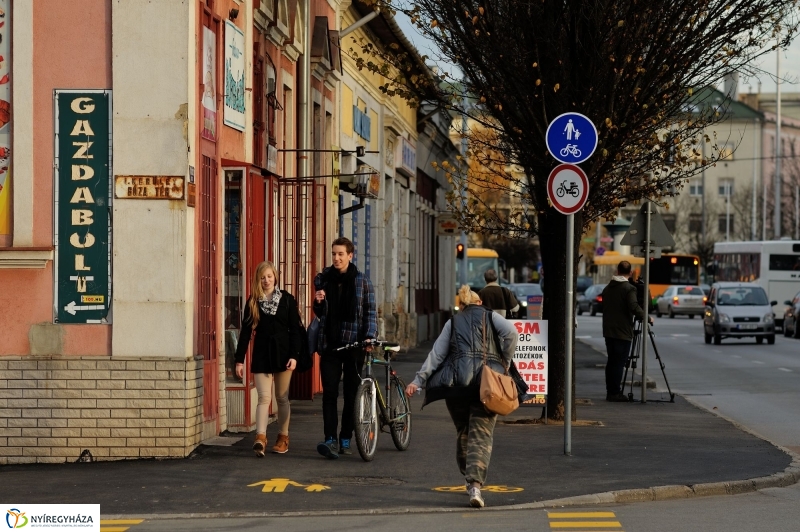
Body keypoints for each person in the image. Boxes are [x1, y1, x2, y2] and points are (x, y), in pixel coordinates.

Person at [406, 285, 518, 508]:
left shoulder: (453, 322)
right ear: (479, 303)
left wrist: (417, 380)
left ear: (463, 305)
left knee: (463, 431)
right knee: (481, 433)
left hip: (456, 386)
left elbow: (436, 355)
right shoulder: (490, 316)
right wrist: (504, 360)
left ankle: (467, 477)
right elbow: (512, 334)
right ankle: (475, 484)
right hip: (486, 385)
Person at [313, 237, 377, 459]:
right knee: (329, 393)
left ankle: (346, 438)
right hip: (330, 344)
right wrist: (318, 303)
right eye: (333, 254)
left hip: (354, 346)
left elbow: (370, 312)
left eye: (340, 254)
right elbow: (321, 314)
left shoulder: (362, 282)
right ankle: (330, 439)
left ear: (350, 255)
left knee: (351, 394)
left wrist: (369, 337)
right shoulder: (324, 281)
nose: (336, 258)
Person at [234, 261, 302, 457]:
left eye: (269, 276)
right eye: (262, 277)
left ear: (275, 277)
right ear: (258, 279)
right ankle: (260, 438)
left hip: (284, 354)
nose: (266, 280)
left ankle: (283, 437)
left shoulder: (287, 300)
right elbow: (245, 332)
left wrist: (294, 356)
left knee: (281, 397)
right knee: (264, 398)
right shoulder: (253, 301)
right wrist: (240, 360)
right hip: (262, 353)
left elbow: (296, 331)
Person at [601, 261, 652, 402]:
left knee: (611, 361)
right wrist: (647, 317)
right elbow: (633, 306)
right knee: (619, 363)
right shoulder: (628, 289)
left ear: (617, 271)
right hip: (622, 331)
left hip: (608, 330)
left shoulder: (607, 288)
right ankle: (615, 393)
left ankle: (610, 391)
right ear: (630, 273)